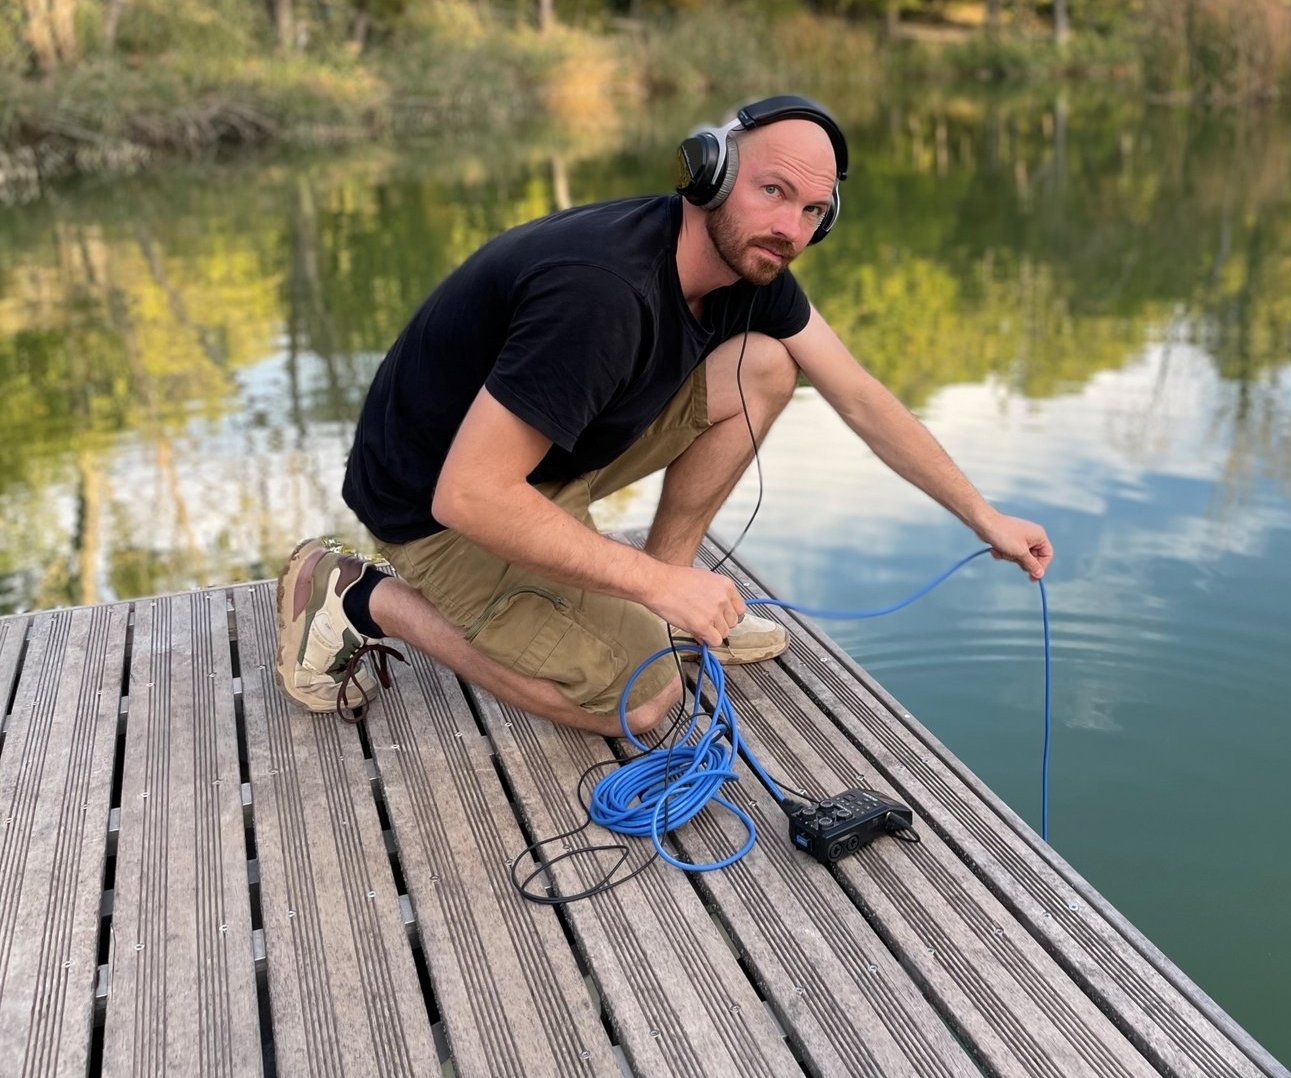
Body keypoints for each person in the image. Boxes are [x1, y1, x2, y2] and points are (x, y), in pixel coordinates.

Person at [274, 94, 1053, 738]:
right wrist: (650, 583)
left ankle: (674, 596)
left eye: (814, 209)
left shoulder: (754, 268)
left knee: (768, 362)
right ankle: (355, 598)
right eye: (773, 191)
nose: (791, 227)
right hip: (439, 510)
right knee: (640, 703)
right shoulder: (600, 294)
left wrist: (982, 515)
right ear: (708, 174)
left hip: (541, 461)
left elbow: (858, 394)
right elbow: (468, 496)